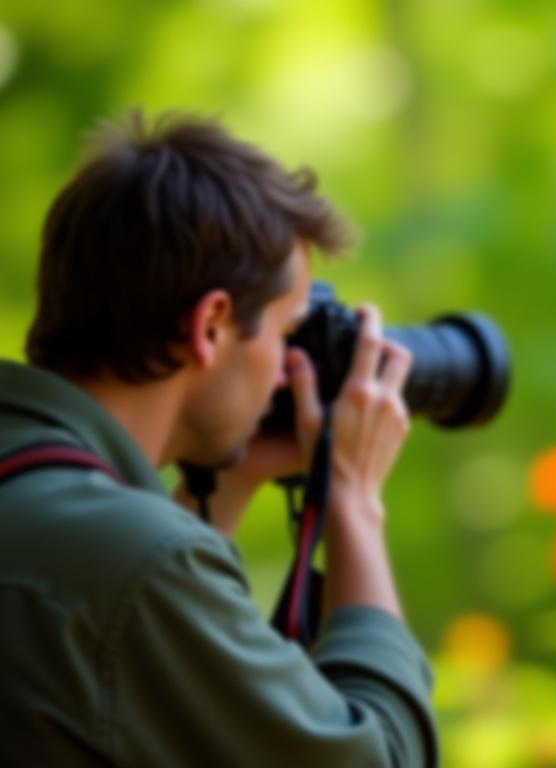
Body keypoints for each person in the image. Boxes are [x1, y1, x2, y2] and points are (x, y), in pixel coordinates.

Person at [0, 110, 437, 766]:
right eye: (288, 336)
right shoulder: (133, 565)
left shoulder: (38, 498)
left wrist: (228, 482)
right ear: (211, 325)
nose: (290, 372)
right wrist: (352, 499)